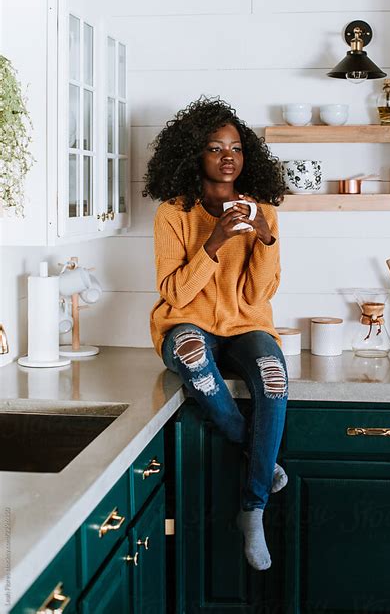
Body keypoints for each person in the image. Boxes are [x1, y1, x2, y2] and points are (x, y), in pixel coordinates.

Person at [144, 96, 289, 571]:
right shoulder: (173, 213)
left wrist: (264, 238)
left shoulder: (261, 210)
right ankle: (260, 459)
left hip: (245, 322)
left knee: (272, 376)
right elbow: (175, 293)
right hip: (188, 323)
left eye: (236, 147)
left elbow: (259, 293)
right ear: (194, 155)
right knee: (191, 355)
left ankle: (253, 510)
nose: (228, 155)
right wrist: (217, 239)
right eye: (215, 147)